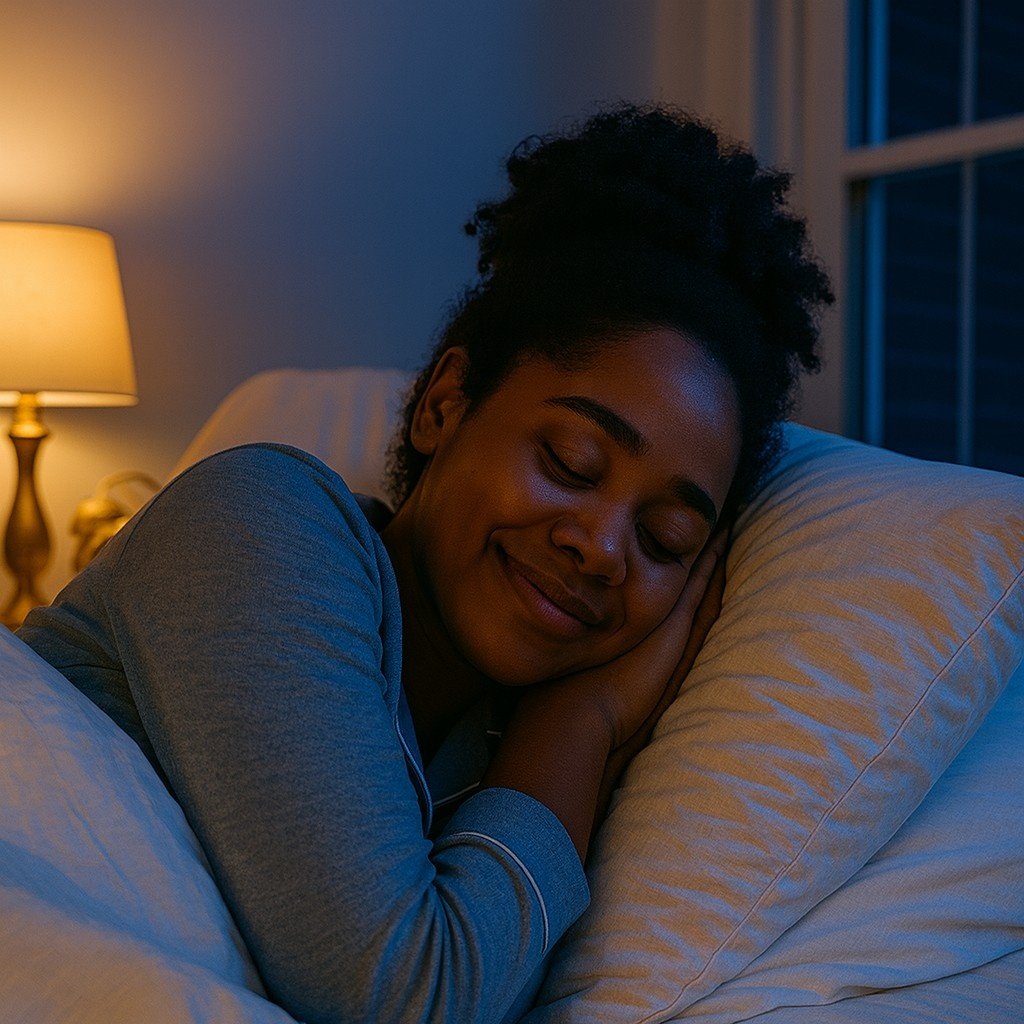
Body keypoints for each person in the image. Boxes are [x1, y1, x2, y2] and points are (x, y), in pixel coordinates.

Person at [17, 104, 832, 1024]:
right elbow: (407, 997)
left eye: (666, 540)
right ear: (445, 404)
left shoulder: (480, 747)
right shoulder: (258, 522)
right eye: (569, 462)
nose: (603, 548)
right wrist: (583, 722)